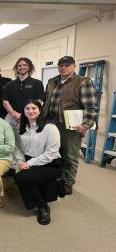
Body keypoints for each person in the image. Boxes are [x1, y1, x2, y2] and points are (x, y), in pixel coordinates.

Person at [42, 56, 97, 195]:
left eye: (67, 65)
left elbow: (90, 106)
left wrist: (86, 124)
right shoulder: (51, 81)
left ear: (74, 66)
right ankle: (56, 178)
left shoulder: (83, 82)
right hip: (50, 122)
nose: (63, 67)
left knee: (69, 155)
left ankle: (67, 182)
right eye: (61, 65)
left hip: (70, 126)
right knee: (53, 152)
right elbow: (45, 102)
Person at [14, 100, 62, 225]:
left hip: (50, 164)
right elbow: (18, 147)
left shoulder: (50, 128)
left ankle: (43, 207)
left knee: (20, 177)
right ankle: (41, 200)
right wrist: (20, 162)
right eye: (27, 108)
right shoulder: (21, 127)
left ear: (40, 110)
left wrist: (30, 163)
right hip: (29, 161)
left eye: (34, 108)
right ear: (23, 111)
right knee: (20, 174)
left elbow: (51, 154)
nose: (30, 111)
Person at [2, 57, 45, 129]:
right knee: (9, 139)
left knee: (26, 139)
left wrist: (25, 114)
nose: (22, 67)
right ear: (16, 68)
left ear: (29, 67)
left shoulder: (37, 83)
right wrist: (13, 114)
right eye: (19, 65)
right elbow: (5, 101)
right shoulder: (9, 84)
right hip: (12, 117)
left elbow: (39, 102)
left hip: (30, 116)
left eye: (24, 65)